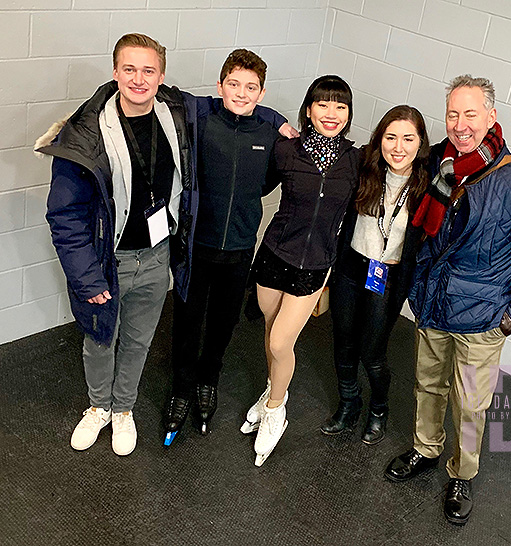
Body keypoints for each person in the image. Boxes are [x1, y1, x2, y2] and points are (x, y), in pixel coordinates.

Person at [383, 75, 511, 524]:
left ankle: (461, 472)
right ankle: (426, 448)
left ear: (491, 116)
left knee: (470, 405)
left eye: (470, 114)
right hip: (433, 305)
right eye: (452, 114)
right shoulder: (437, 165)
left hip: (484, 318)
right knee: (428, 384)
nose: (460, 125)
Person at [36, 34, 189, 456]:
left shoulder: (175, 115)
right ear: (115, 72)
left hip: (156, 257)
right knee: (100, 337)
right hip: (109, 262)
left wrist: (274, 120)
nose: (139, 79)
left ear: (161, 75)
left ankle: (123, 409)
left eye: (148, 70)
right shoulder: (84, 135)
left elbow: (232, 101)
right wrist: (87, 278)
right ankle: (98, 406)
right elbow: (64, 217)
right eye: (129, 69)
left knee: (138, 341)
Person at [165, 49, 297, 444]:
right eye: (234, 84)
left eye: (251, 87)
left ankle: (209, 379)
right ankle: (181, 388)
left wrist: (273, 119)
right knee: (188, 320)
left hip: (240, 247)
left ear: (262, 92)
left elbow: (268, 182)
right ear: (219, 85)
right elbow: (179, 97)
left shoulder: (268, 134)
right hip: (196, 245)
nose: (241, 93)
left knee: (224, 322)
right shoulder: (202, 122)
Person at [240, 75, 360, 466]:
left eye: (340, 106)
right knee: (269, 330)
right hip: (274, 255)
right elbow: (255, 185)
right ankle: (273, 388)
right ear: (308, 110)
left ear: (348, 114)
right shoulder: (286, 151)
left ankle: (276, 410)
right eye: (323, 104)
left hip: (315, 264)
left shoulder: (356, 161)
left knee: (280, 342)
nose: (331, 113)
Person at [320, 106, 429, 445]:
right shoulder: (364, 168)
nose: (398, 147)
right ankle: (349, 403)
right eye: (390, 137)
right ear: (379, 139)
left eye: (408, 138)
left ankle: (379, 408)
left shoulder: (429, 184)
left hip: (388, 276)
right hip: (352, 267)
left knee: (373, 351)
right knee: (343, 340)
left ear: (421, 143)